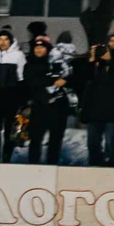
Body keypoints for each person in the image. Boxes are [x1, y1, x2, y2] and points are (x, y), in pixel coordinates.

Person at [24, 36, 71, 165]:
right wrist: (52, 82)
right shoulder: (29, 65)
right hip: (39, 107)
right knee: (36, 139)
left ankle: (52, 166)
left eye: (42, 47)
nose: (39, 50)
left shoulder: (57, 63)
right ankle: (33, 166)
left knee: (55, 140)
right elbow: (32, 83)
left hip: (58, 108)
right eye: (36, 47)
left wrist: (64, 81)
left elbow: (69, 78)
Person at [0, 26, 26, 163]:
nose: (3, 42)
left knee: (9, 131)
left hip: (10, 99)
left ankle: (6, 158)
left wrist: (19, 100)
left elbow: (21, 79)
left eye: (6, 39)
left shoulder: (18, 56)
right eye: (0, 39)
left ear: (11, 40)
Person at [81, 44, 114, 166]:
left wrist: (110, 61)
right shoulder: (93, 66)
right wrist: (92, 59)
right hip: (93, 110)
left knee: (111, 145)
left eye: (105, 50)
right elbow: (83, 80)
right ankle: (94, 170)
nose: (103, 53)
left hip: (113, 111)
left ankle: (112, 171)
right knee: (93, 145)